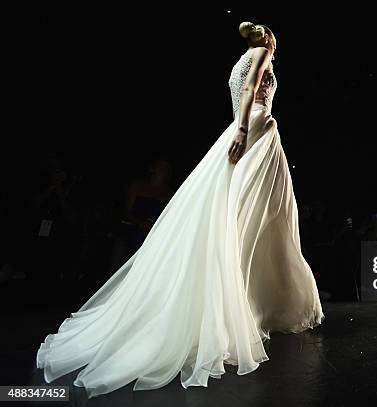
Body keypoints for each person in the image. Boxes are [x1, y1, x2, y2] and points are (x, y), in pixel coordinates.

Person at [36, 21, 324, 398]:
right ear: (265, 38)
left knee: (250, 219)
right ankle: (247, 305)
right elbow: (252, 90)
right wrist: (240, 130)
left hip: (252, 132)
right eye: (272, 36)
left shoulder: (239, 60)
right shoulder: (260, 54)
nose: (275, 42)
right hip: (255, 132)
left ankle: (252, 302)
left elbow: (244, 88)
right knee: (258, 219)